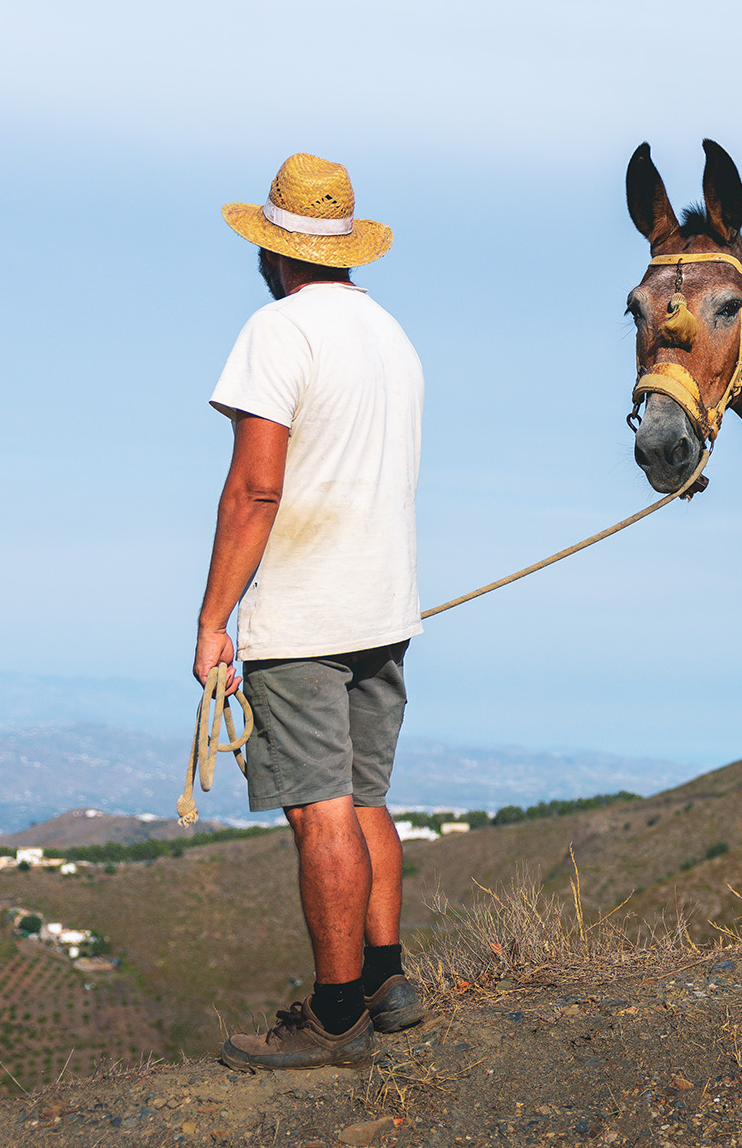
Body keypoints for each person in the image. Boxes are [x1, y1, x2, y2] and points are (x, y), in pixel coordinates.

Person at [193, 153, 427, 1070]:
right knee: (366, 799)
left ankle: (334, 1020)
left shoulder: (278, 330)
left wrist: (215, 618)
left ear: (274, 248)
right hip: (385, 607)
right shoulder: (391, 336)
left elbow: (255, 488)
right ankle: (387, 980)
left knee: (319, 811)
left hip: (305, 615)